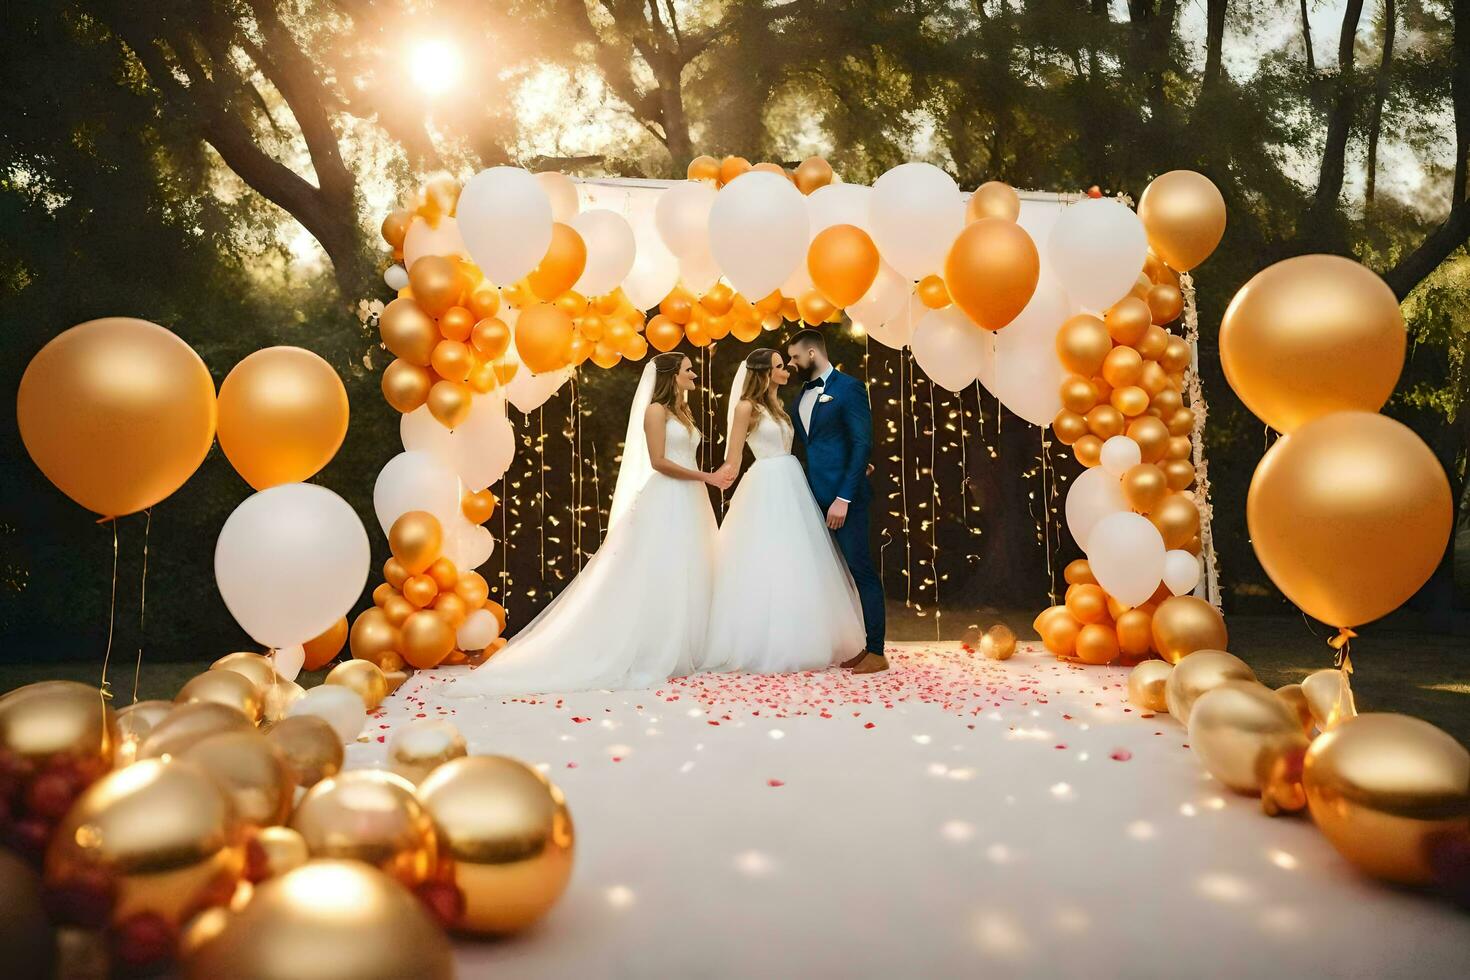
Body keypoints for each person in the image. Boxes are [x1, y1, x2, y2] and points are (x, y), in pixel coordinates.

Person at [443, 352, 732, 697]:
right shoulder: (655, 412)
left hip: (690, 499)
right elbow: (659, 461)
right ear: (672, 376)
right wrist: (706, 476)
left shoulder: (682, 412)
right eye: (688, 369)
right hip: (669, 495)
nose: (694, 374)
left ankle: (688, 645)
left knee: (689, 566)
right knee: (660, 569)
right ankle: (655, 647)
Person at [702, 348, 865, 674]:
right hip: (765, 484)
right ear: (764, 372)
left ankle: (803, 638)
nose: (787, 369)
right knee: (763, 557)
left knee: (797, 557)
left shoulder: (777, 407)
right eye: (779, 366)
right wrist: (712, 478)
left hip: (791, 484)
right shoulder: (746, 408)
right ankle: (760, 642)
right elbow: (733, 458)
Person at [785, 329, 888, 673]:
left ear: (812, 354)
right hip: (812, 498)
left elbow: (861, 443)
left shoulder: (849, 388)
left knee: (862, 571)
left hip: (845, 501)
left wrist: (844, 496)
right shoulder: (802, 393)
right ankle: (858, 645)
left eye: (796, 357)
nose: (792, 363)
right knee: (830, 575)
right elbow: (815, 445)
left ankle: (876, 651)